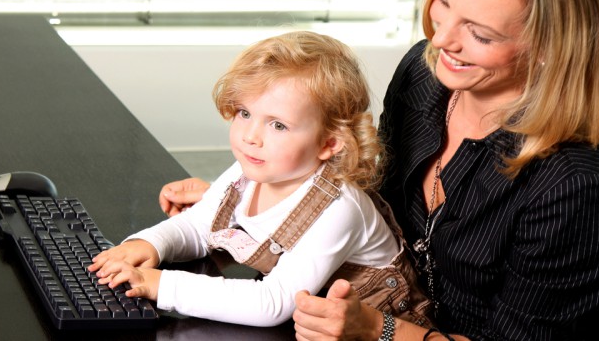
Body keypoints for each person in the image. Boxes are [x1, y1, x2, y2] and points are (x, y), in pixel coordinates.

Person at [158, 0, 599, 339]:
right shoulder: (426, 76)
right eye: (444, 2)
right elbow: (363, 195)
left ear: (554, 48)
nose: (443, 38)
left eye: (480, 33)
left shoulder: (579, 190)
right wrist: (267, 203)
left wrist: (376, 330)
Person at [89, 31, 433, 327]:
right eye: (244, 113)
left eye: (278, 124)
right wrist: (148, 245)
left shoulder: (339, 208)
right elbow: (198, 225)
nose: (250, 136)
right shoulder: (252, 170)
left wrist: (161, 285)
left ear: (329, 143)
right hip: (312, 320)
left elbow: (271, 303)